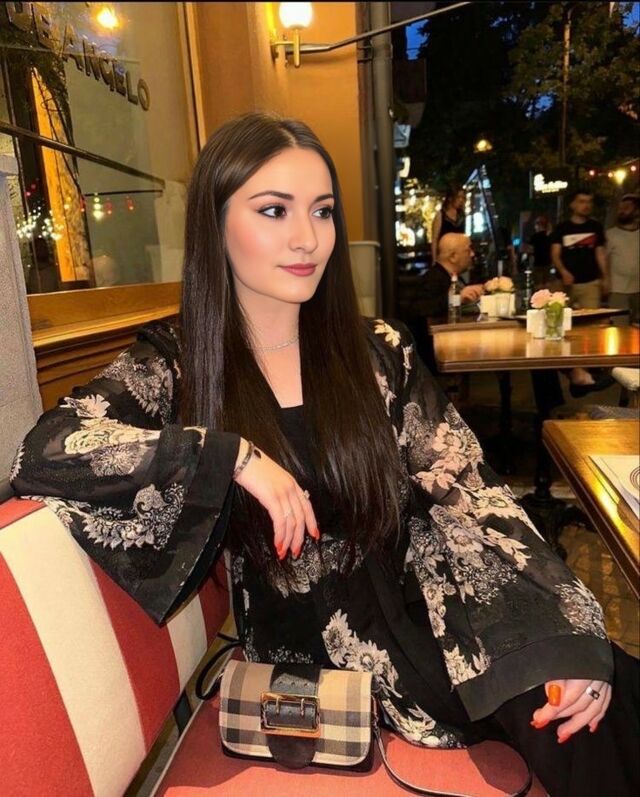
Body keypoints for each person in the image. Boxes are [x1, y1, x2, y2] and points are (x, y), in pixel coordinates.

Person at [10, 113, 638, 796]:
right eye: (273, 210)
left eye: (322, 211)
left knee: (590, 694)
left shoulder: (377, 351)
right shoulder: (181, 365)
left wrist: (562, 630)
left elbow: (469, 489)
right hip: (324, 654)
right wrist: (227, 455)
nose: (307, 238)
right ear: (214, 223)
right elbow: (45, 449)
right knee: (579, 723)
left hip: (439, 602)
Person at [550, 189, 608, 309]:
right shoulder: (562, 228)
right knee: (560, 315)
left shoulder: (596, 227)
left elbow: (600, 253)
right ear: (573, 205)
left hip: (590, 283)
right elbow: (555, 254)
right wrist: (563, 271)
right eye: (582, 202)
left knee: (592, 317)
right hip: (565, 283)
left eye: (589, 202)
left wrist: (606, 277)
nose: (586, 205)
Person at [420, 233, 484, 318]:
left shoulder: (453, 276)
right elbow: (422, 309)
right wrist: (457, 298)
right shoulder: (433, 278)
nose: (472, 254)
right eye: (468, 250)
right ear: (453, 257)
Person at [606, 193, 640, 326]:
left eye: (627, 207)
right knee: (620, 328)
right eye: (621, 208)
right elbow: (604, 260)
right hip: (618, 290)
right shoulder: (610, 235)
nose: (622, 211)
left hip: (638, 289)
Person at [430, 184, 466, 263]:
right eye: (458, 197)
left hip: (459, 257)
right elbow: (435, 239)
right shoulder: (441, 215)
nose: (461, 200)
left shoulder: (461, 215)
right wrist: (434, 260)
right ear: (450, 198)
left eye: (463, 198)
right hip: (445, 257)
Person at [527, 215, 552, 285]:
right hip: (547, 262)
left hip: (537, 263)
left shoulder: (534, 237)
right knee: (547, 282)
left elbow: (530, 250)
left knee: (538, 283)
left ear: (538, 225)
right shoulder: (549, 236)